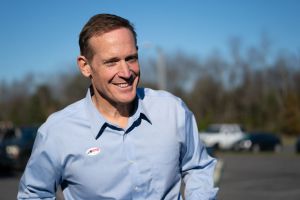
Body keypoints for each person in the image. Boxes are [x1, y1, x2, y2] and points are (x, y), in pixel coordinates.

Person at [17, 13, 218, 200]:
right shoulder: (57, 132)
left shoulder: (172, 111)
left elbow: (198, 167)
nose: (126, 72)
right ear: (85, 66)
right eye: (111, 62)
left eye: (131, 58)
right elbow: (34, 194)